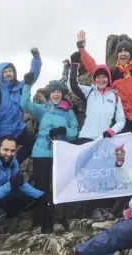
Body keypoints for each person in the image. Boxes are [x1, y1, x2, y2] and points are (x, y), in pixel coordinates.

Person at [21, 73, 78, 234]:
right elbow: (25, 104)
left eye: (59, 92)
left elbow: (74, 132)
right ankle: (39, 222)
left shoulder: (69, 112)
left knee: (57, 187)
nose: (56, 94)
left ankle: (57, 221)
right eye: (53, 92)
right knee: (40, 187)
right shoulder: (43, 109)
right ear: (50, 94)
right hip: (41, 153)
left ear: (62, 94)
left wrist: (63, 131)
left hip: (59, 154)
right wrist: (27, 85)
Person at [0, 48, 42, 164]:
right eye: (5, 71)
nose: (8, 73)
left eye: (10, 71)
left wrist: (36, 58)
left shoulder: (20, 87)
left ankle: (15, 162)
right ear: (0, 75)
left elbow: (33, 74)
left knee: (33, 141)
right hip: (2, 133)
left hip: (18, 130)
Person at [68, 51, 125, 145]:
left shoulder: (115, 97)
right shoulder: (89, 92)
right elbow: (72, 86)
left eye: (104, 77)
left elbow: (121, 121)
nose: (101, 80)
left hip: (104, 140)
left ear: (109, 78)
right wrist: (74, 65)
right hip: (85, 138)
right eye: (98, 77)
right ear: (94, 79)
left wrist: (112, 131)